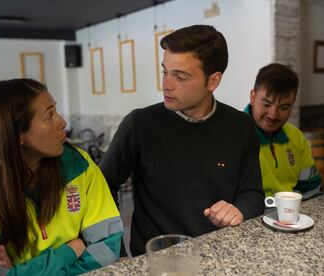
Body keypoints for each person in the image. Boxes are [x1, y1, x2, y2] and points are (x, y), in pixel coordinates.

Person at [100, 25, 264, 256]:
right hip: (157, 260)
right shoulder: (139, 124)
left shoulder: (240, 125)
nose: (166, 84)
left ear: (213, 80)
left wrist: (239, 210)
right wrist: (118, 254)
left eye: (180, 76)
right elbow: (101, 190)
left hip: (221, 253)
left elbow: (253, 193)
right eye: (164, 72)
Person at [0, 79, 123, 275]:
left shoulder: (80, 165)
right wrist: (69, 251)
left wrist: (19, 271)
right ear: (16, 134)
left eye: (56, 110)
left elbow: (107, 248)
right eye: (49, 115)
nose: (62, 122)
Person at [244, 63, 321, 198]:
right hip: (250, 214)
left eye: (284, 107)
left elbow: (311, 188)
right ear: (252, 97)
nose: (273, 115)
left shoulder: (295, 136)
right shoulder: (235, 133)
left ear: (293, 104)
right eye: (266, 104)